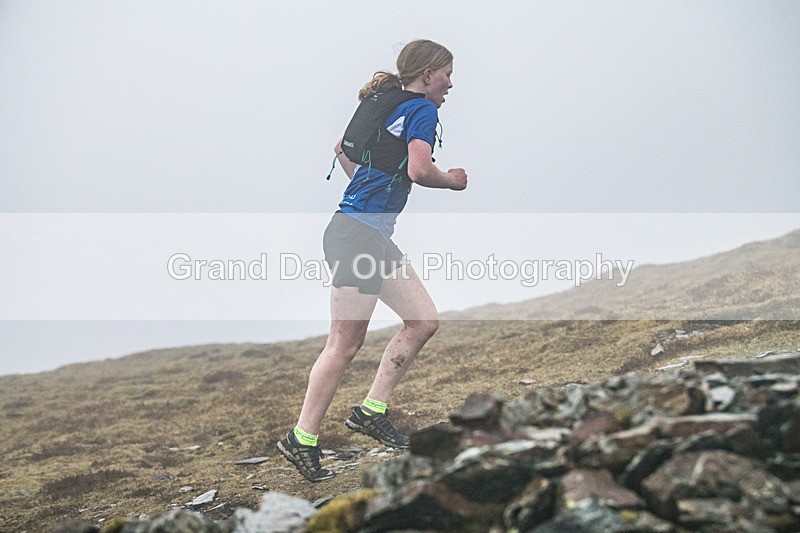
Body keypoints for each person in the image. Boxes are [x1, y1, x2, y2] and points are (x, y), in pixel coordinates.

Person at [277, 39, 468, 482]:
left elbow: (342, 149)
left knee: (423, 319)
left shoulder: (385, 103)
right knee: (344, 344)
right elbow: (420, 170)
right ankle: (301, 438)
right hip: (356, 236)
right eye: (447, 75)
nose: (450, 84)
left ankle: (370, 411)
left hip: (365, 235)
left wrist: (370, 187)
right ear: (427, 75)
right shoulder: (422, 108)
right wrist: (452, 181)